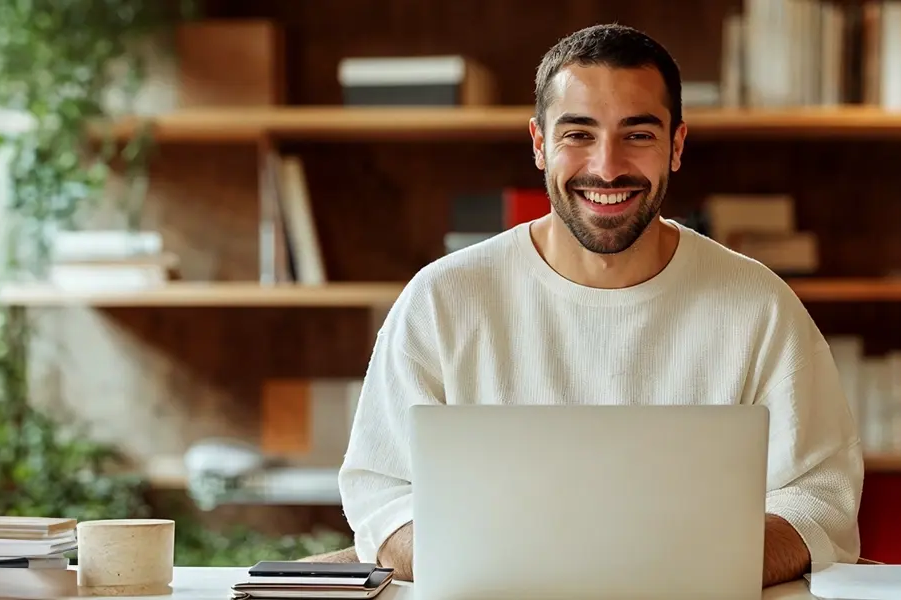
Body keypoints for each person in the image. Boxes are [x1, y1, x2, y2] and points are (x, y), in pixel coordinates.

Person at [338, 23, 864, 588]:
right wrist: (526, 575)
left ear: (677, 145)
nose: (607, 167)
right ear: (540, 144)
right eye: (578, 134)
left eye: (637, 135)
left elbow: (820, 500)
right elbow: (382, 492)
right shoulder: (441, 300)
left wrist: (677, 572)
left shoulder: (759, 306)